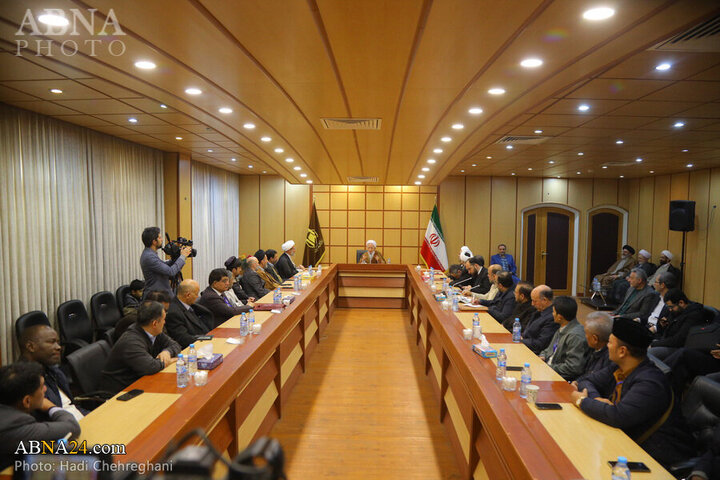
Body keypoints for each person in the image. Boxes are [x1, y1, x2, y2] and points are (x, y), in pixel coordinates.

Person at [572, 318, 695, 467]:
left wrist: (582, 401)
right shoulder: (619, 367)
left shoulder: (650, 382)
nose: (607, 346)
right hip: (625, 441)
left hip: (656, 456)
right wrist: (597, 398)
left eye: (610, 342)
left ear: (622, 351)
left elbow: (618, 416)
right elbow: (587, 381)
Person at [0, 362, 81, 469]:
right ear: (27, 401)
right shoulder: (15, 426)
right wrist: (51, 407)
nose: (45, 390)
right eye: (42, 386)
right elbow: (72, 427)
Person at [100, 301, 181, 394]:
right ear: (154, 323)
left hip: (139, 382)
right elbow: (151, 367)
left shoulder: (153, 331)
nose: (165, 322)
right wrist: (169, 361)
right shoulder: (131, 341)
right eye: (163, 319)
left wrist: (167, 352)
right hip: (119, 392)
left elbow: (175, 345)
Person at [19, 325, 85, 420]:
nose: (59, 347)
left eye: (58, 342)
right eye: (51, 342)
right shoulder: (24, 382)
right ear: (31, 347)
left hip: (79, 416)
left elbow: (71, 405)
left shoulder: (52, 370)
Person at [539, 296, 589, 381]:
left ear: (560, 317)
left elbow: (573, 367)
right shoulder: (563, 327)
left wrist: (548, 367)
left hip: (559, 376)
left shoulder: (575, 336)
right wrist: (543, 356)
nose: (552, 314)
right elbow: (549, 350)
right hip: (549, 369)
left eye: (553, 312)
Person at [648, 289, 705, 361]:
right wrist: (662, 325)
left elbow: (678, 340)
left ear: (681, 303)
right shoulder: (677, 311)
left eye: (671, 307)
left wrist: (654, 344)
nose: (670, 310)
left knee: (649, 353)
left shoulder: (694, 315)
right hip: (666, 341)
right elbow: (664, 331)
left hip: (678, 348)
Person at [139, 226, 191, 297]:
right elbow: (171, 272)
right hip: (156, 298)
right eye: (160, 237)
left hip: (160, 295)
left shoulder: (150, 254)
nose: (162, 240)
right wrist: (182, 256)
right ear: (154, 241)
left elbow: (163, 265)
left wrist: (176, 258)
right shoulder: (149, 257)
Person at [165, 280, 215, 348]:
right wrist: (207, 338)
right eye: (196, 294)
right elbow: (183, 339)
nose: (197, 297)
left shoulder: (189, 305)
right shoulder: (174, 312)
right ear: (188, 295)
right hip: (192, 347)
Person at [575, 312, 612, 383]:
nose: (584, 336)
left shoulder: (609, 360)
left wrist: (577, 383)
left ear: (595, 339)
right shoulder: (593, 347)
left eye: (586, 333)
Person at [521, 285, 559, 354]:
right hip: (525, 345)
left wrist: (520, 341)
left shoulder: (552, 318)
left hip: (534, 353)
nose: (532, 304)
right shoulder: (538, 311)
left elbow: (540, 344)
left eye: (534, 301)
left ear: (544, 300)